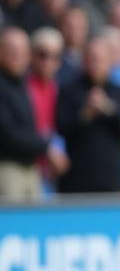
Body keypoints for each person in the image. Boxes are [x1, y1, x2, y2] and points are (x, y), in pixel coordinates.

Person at [0, 25, 69, 199]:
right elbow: (7, 132)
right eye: (12, 50)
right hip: (8, 166)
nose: (18, 56)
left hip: (31, 166)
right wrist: (45, 148)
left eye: (23, 51)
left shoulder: (21, 84)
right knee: (13, 223)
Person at [56, 33, 120, 193]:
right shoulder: (69, 91)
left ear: (110, 61)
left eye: (100, 59)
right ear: (84, 61)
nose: (95, 64)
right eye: (91, 58)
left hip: (111, 179)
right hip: (76, 181)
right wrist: (85, 114)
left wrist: (107, 108)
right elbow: (61, 127)